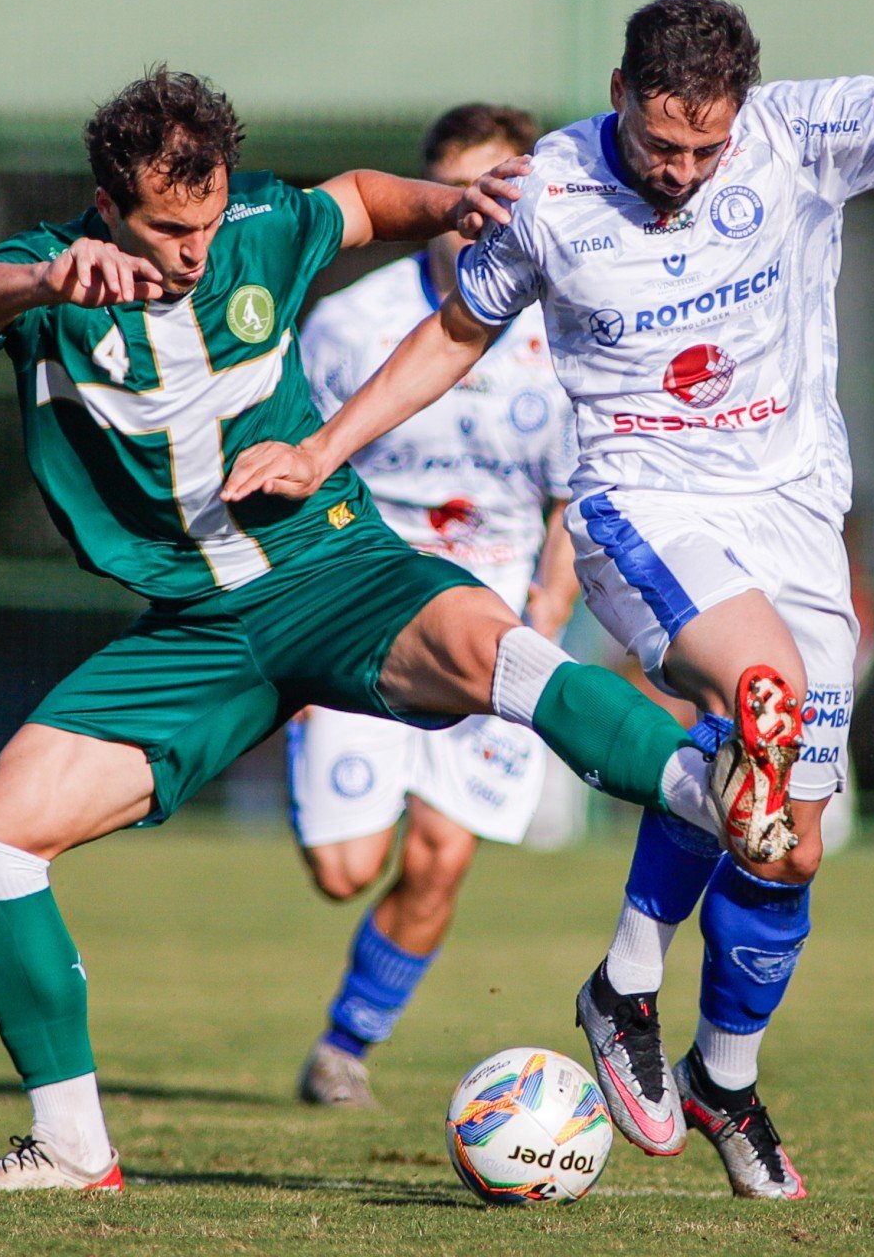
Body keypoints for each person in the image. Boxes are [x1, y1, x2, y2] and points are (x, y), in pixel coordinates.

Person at [224, 0, 874, 1198]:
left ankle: (726, 1075)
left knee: (785, 842)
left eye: (704, 149)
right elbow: (453, 332)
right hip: (640, 502)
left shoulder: (796, 134)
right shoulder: (547, 190)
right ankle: (624, 976)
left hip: (797, 516)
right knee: (756, 695)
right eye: (663, 143)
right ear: (620, 91)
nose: (681, 169)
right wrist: (323, 447)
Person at [0, 67, 771, 1193]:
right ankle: (72, 1147)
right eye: (170, 228)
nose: (194, 249)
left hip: (331, 564)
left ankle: (714, 791)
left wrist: (446, 205)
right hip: (196, 631)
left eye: (210, 219)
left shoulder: (259, 225)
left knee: (496, 648)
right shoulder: (52, 275)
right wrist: (39, 282)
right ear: (107, 204)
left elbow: (360, 200)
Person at [288, 104, 580, 1108]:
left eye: (506, 195)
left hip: (490, 622)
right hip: (359, 609)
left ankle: (344, 1048)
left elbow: (575, 498)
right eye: (468, 199)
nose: (484, 221)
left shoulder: (563, 334)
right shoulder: (351, 326)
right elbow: (298, 465)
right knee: (343, 868)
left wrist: (549, 603)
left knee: (440, 856)